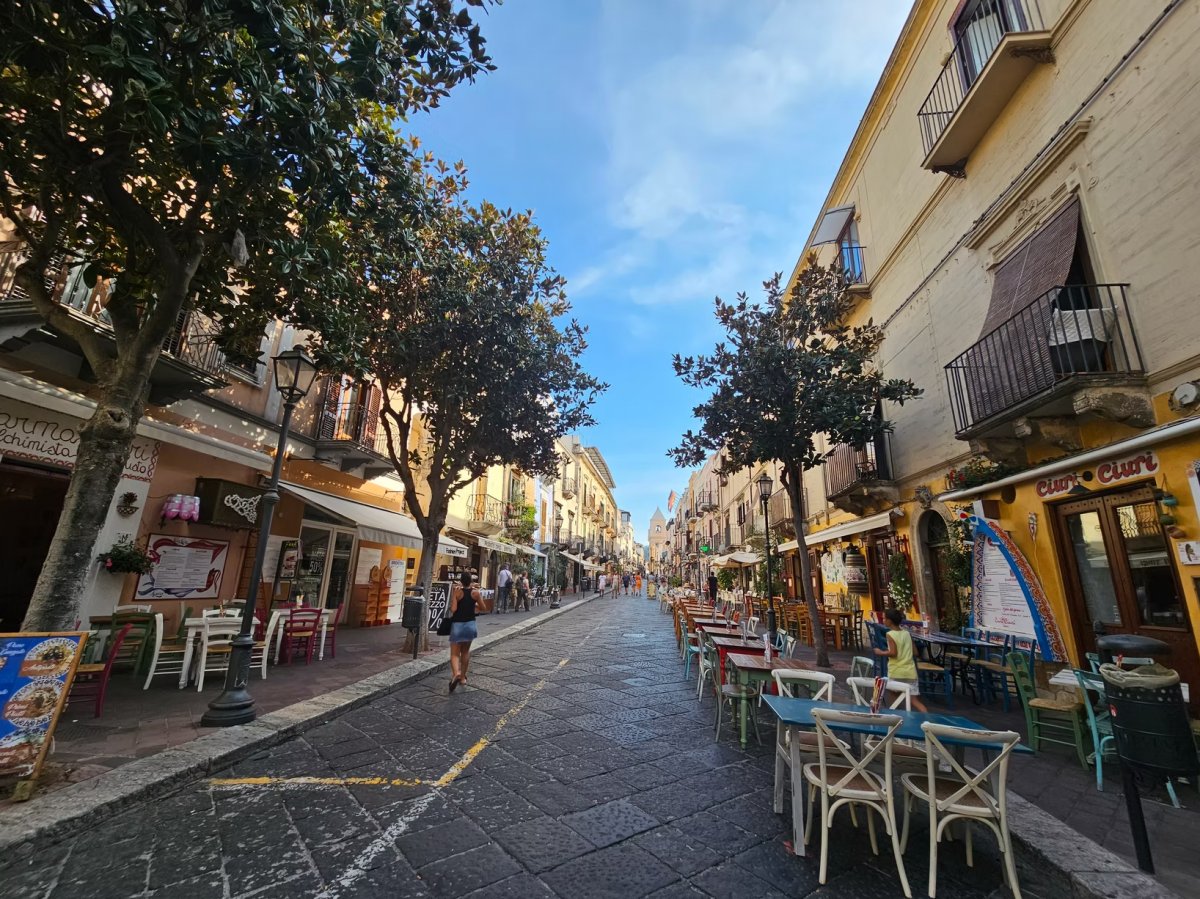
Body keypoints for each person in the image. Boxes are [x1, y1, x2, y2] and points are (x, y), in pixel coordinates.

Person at [874, 607, 928, 713]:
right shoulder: (907, 633)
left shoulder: (890, 634)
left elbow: (893, 653)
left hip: (897, 672)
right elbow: (916, 652)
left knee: (894, 699)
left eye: (884, 619)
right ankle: (928, 720)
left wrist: (881, 652)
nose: (883, 621)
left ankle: (897, 719)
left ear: (890, 621)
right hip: (910, 672)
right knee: (915, 701)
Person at [447, 571, 482, 692]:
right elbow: (483, 608)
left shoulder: (457, 592)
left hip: (457, 625)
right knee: (465, 652)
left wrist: (454, 596)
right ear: (471, 581)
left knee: (454, 653)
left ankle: (456, 673)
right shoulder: (475, 593)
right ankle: (462, 678)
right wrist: (474, 606)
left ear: (461, 581)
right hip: (470, 625)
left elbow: (453, 609)